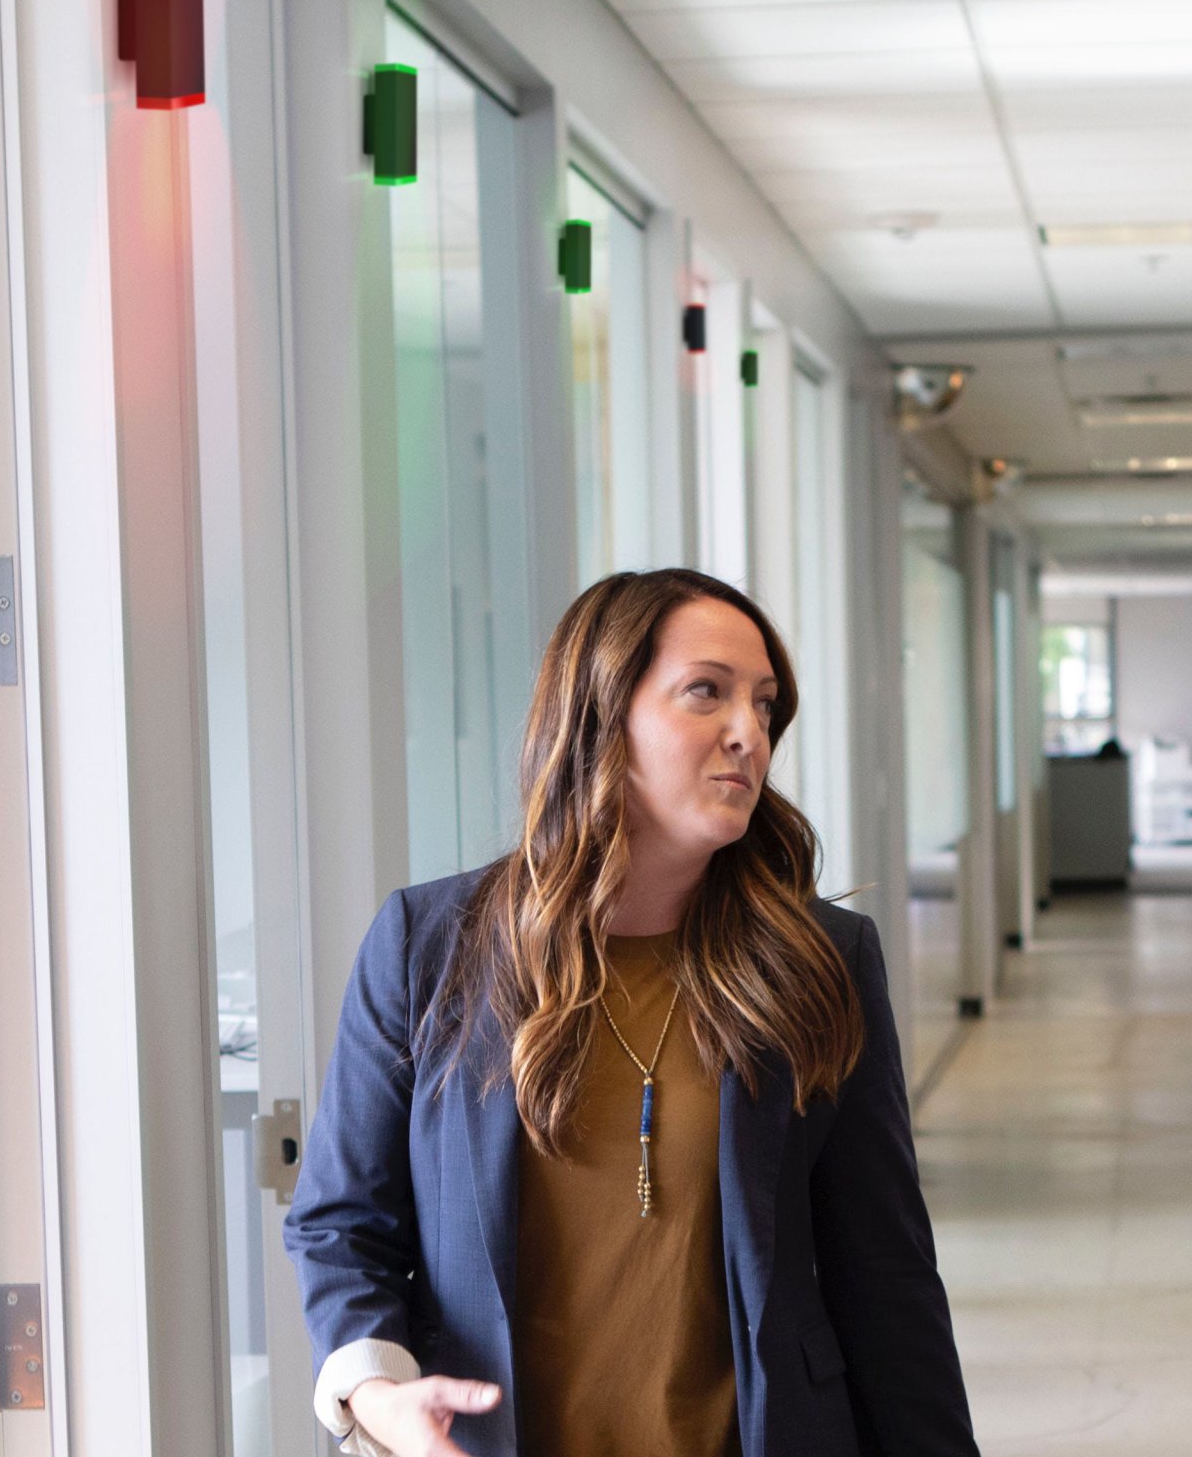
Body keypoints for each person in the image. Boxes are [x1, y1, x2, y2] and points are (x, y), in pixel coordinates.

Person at [286, 568, 978, 1457]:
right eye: (706, 694)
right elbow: (341, 1224)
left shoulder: (820, 961)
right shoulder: (431, 947)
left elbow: (884, 1275)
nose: (749, 735)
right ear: (600, 713)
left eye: (764, 706)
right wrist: (375, 1394)